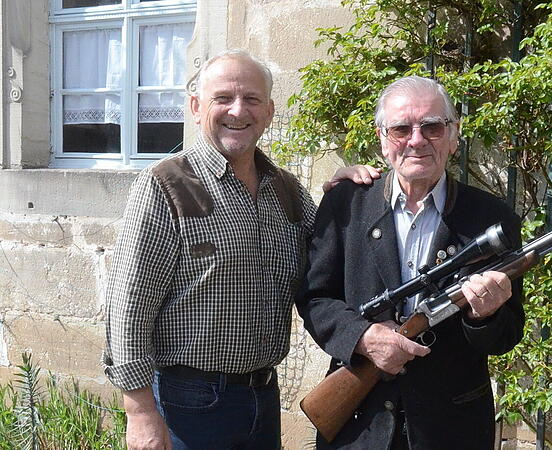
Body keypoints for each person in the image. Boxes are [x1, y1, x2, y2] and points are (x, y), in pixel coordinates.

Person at [103, 49, 379, 450]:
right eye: (223, 99)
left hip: (262, 397)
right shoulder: (167, 185)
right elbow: (128, 304)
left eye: (251, 99)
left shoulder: (284, 188)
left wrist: (345, 192)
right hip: (187, 404)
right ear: (197, 108)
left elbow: (331, 252)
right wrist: (140, 411)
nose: (238, 110)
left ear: (267, 112)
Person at [297, 75, 525, 449]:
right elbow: (314, 298)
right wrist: (363, 338)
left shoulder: (491, 219)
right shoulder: (346, 205)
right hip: (360, 427)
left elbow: (507, 334)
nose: (416, 140)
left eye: (432, 127)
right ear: (382, 138)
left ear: (453, 136)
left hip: (450, 430)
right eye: (401, 128)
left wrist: (484, 316)